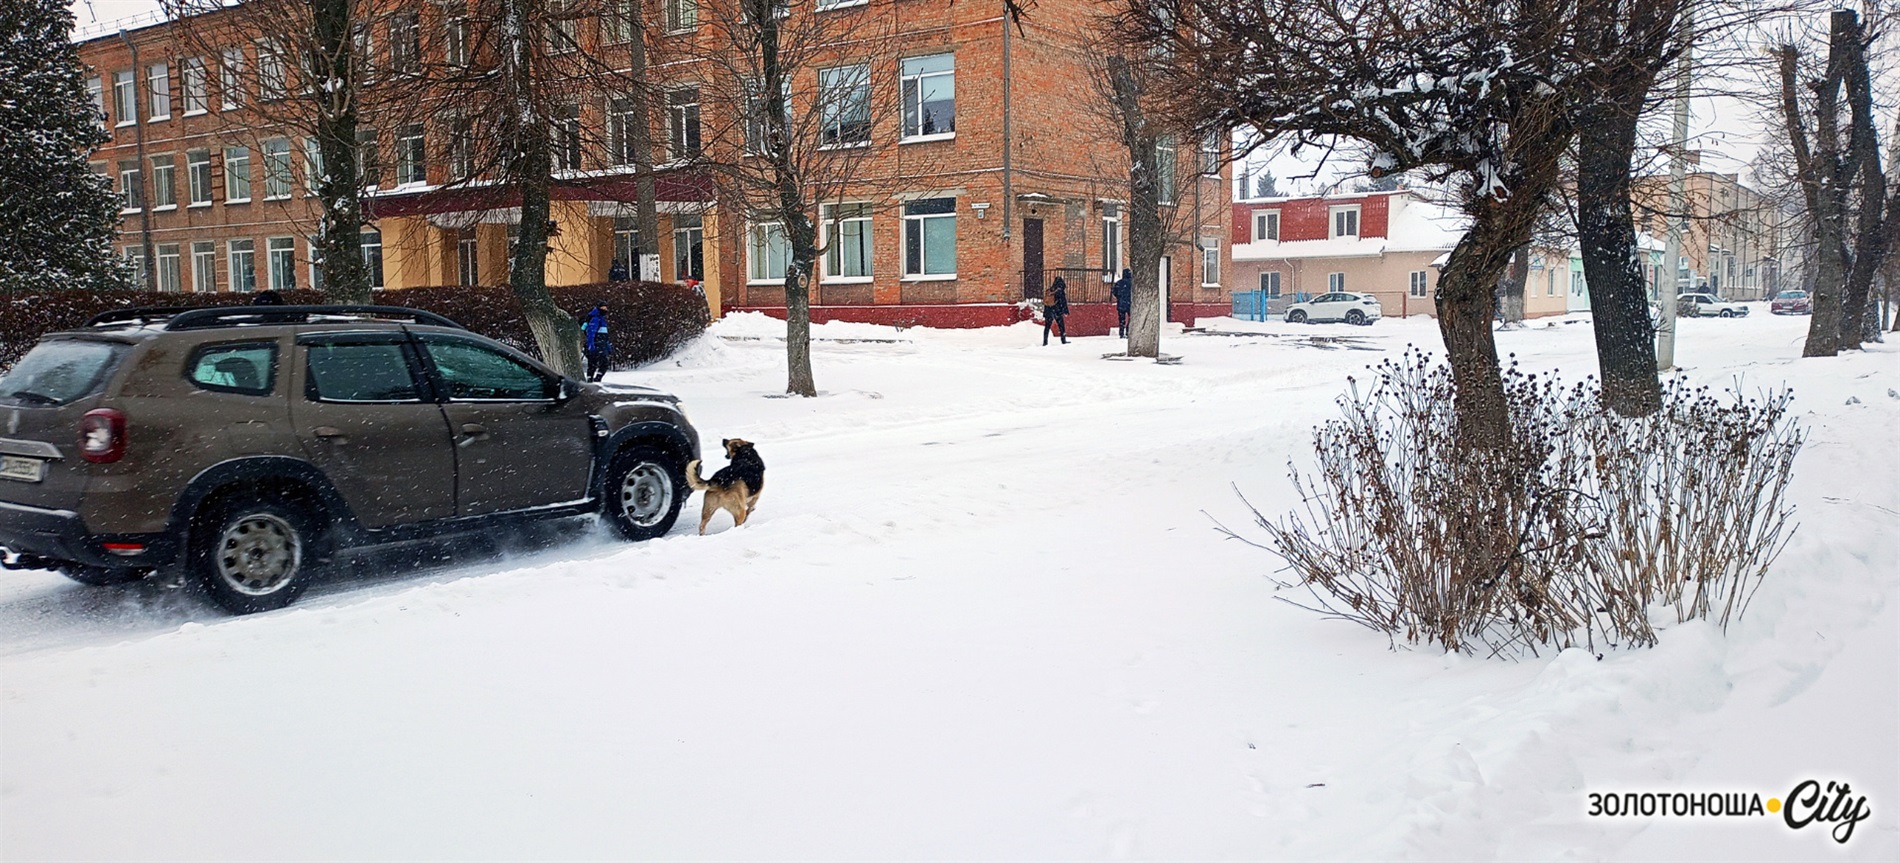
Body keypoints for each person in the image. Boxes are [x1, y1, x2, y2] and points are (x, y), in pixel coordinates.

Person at [582, 304, 611, 381]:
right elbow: (591, 333)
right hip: (597, 345)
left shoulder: (601, 319)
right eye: (603, 308)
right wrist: (591, 345)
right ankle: (595, 379)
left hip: (600, 345)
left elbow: (605, 336)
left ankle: (591, 379)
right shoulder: (596, 319)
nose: (605, 309)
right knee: (602, 363)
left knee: (593, 364)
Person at [1042, 277, 1070, 345]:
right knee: (1061, 326)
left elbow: (1046, 302)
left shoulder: (1050, 290)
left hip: (1049, 310)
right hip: (1057, 311)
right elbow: (1063, 302)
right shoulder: (1060, 291)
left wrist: (1046, 312)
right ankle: (1063, 340)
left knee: (1047, 327)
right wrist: (1066, 311)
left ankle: (1045, 341)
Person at [1111, 268, 1132, 337]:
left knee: (1121, 319)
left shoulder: (1119, 283)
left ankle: (1121, 332)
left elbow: (1114, 292)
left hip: (1121, 304)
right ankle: (1128, 331)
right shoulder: (1132, 283)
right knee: (1131, 318)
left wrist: (1119, 297)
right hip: (1130, 304)